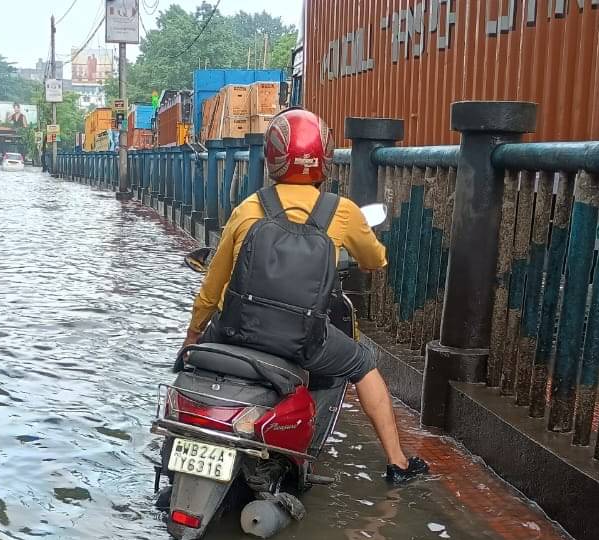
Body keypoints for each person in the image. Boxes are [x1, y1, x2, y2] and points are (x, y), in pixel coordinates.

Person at [183, 109, 429, 484]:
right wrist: (370, 262)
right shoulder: (341, 211)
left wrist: (193, 334)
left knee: (194, 363)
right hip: (302, 342)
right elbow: (375, 258)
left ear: (272, 157)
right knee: (365, 363)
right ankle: (397, 463)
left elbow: (213, 286)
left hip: (235, 330)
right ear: (324, 158)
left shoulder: (248, 208)